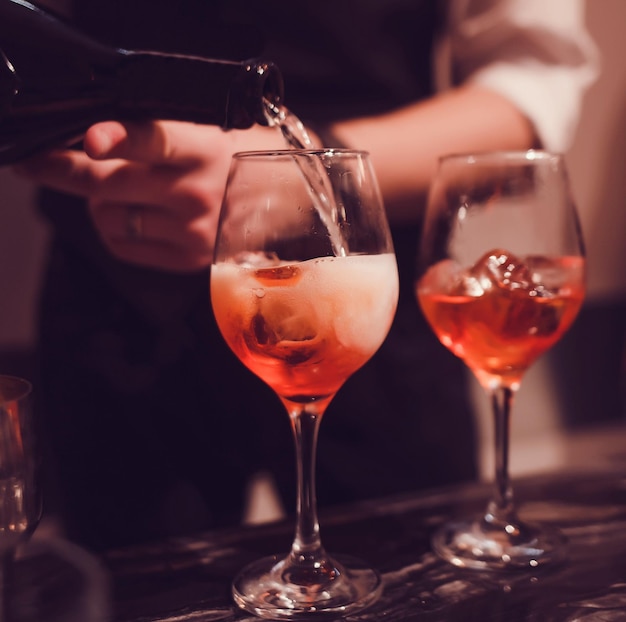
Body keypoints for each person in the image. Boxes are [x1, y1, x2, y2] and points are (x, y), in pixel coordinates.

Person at [14, 0, 598, 552]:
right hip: (113, 310)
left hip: (366, 319)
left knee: (405, 586)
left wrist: (304, 171)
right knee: (143, 592)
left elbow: (531, 79)